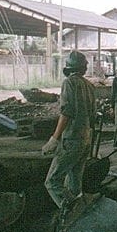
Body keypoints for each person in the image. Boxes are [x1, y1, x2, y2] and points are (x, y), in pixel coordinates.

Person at [42, 50, 96, 208]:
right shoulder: (90, 86)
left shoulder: (69, 83)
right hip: (85, 139)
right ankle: (80, 210)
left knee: (52, 182)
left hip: (71, 140)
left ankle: (71, 212)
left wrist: (54, 139)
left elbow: (66, 112)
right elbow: (93, 115)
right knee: (74, 182)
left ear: (68, 67)